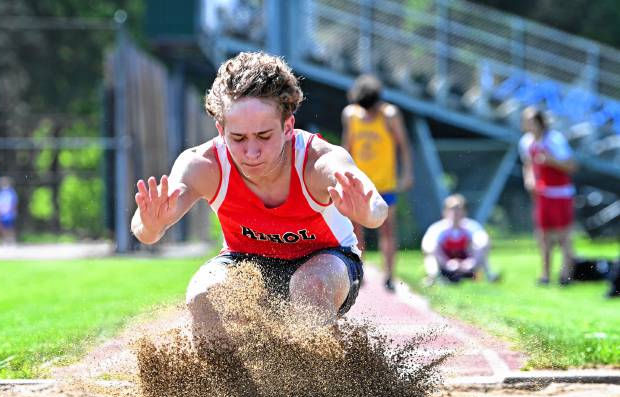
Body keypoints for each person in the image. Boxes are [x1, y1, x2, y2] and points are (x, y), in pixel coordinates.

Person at [131, 52, 388, 347]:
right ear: (221, 130)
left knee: (308, 287)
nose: (251, 153)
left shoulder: (317, 161)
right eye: (238, 138)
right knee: (203, 296)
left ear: (288, 127)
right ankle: (222, 387)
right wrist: (151, 225)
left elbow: (376, 208)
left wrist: (368, 213)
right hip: (247, 265)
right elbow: (146, 231)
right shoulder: (203, 165)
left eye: (264, 136)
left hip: (327, 265)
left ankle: (327, 380)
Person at [341, 74, 413, 291]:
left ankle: (389, 275)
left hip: (385, 184)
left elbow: (404, 145)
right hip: (359, 183)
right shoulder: (350, 114)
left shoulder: (390, 114)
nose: (369, 113)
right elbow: (347, 146)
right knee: (356, 230)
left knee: (388, 229)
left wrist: (408, 173)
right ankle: (358, 272)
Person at [519, 107, 577, 286]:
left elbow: (571, 166)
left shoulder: (554, 139)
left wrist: (551, 161)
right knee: (543, 235)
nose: (527, 125)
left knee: (563, 235)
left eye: (531, 121)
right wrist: (529, 180)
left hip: (560, 194)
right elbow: (528, 165)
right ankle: (545, 274)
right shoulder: (526, 142)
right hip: (542, 194)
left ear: (540, 123)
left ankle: (565, 274)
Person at [421, 194, 499, 285]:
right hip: (445, 265)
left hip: (468, 264)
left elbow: (484, 243)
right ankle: (432, 277)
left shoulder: (472, 226)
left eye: (459, 209)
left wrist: (470, 262)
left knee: (480, 244)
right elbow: (427, 247)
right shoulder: (437, 228)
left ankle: (490, 275)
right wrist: (447, 263)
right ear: (445, 211)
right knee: (431, 253)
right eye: (452, 209)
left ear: (464, 211)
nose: (455, 212)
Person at [0, 176, 18, 244]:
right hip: (2, 213)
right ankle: (5, 240)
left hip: (9, 213)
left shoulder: (11, 192)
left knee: (10, 227)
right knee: (3, 227)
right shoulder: (0, 193)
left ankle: (12, 240)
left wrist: (14, 210)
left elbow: (14, 202)